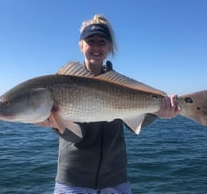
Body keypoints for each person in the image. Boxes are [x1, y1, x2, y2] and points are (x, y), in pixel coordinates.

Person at [36, 14, 181, 194]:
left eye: (102, 41)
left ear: (109, 47)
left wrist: (158, 112)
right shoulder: (63, 84)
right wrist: (58, 125)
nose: (96, 47)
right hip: (74, 181)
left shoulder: (119, 84)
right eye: (90, 41)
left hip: (115, 180)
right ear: (81, 45)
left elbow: (136, 122)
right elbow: (76, 138)